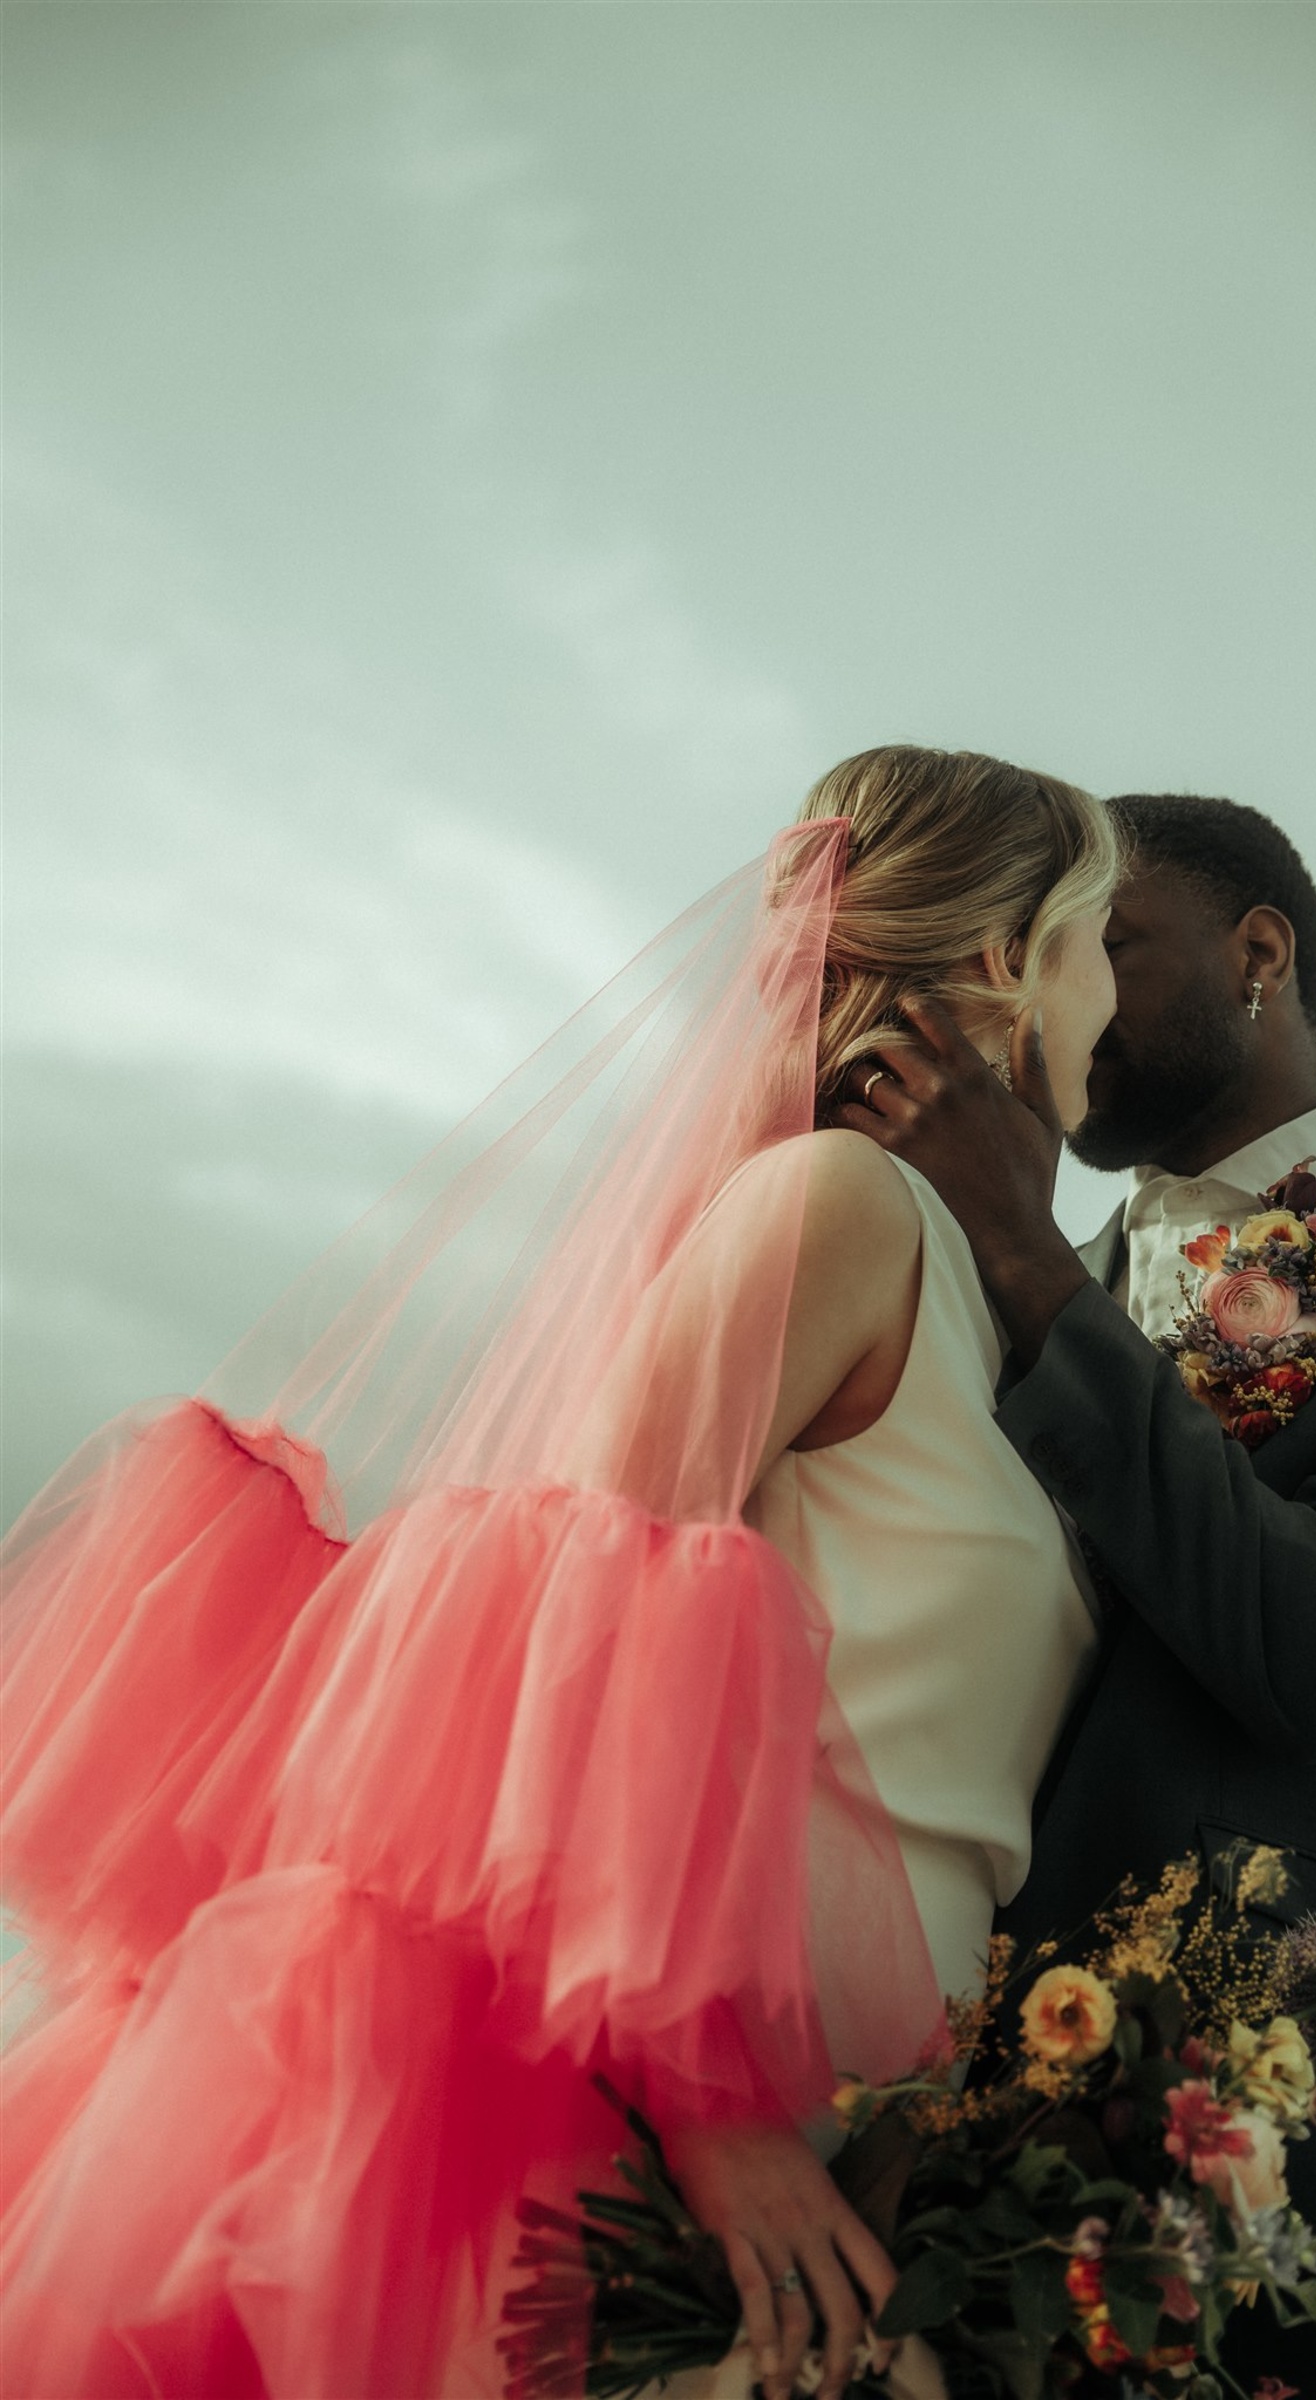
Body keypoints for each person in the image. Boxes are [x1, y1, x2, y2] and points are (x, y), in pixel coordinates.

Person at [0, 746, 1117, 2400]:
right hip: (710, 2115)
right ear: (1002, 962)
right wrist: (717, 2113)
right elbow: (581, 1629)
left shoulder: (969, 1284)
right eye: (1097, 938)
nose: (1110, 992)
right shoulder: (838, 1202)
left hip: (865, 2115)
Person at [839, 791, 1316, 2400]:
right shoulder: (959, 1287)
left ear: (1258, 953)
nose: (1073, 996)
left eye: (1105, 941)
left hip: (1289, 2181)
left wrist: (1030, 1259)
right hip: (919, 2171)